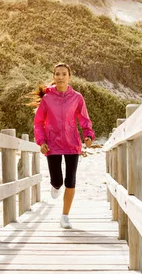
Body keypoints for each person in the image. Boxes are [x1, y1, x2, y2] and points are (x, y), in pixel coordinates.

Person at [32, 62, 95, 229]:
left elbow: (84, 119)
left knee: (70, 180)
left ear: (69, 77)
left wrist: (88, 135)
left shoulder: (77, 98)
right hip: (52, 144)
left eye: (63, 74)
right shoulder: (47, 99)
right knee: (57, 180)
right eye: (57, 74)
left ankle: (65, 216)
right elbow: (38, 123)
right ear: (54, 77)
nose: (60, 77)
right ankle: (55, 185)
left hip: (72, 143)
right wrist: (42, 141)